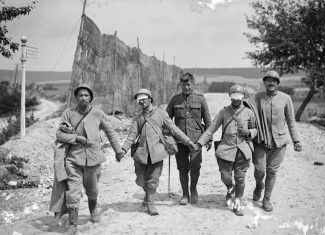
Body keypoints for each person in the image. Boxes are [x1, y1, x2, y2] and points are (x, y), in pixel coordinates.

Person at [56, 84, 124, 234]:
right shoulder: (68, 113)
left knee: (92, 190)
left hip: (93, 160)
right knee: (72, 191)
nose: (83, 98)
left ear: (91, 98)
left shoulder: (97, 114)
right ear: (76, 98)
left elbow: (110, 132)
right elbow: (59, 135)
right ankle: (73, 223)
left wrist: (118, 151)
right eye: (80, 95)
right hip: (73, 160)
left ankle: (93, 210)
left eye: (86, 95)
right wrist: (76, 138)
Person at [119, 88, 196, 216]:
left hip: (157, 153)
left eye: (144, 98)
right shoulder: (138, 118)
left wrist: (188, 141)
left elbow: (174, 129)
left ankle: (150, 202)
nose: (141, 101)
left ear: (150, 99)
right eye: (139, 99)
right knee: (140, 180)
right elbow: (131, 136)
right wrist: (123, 149)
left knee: (153, 180)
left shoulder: (161, 114)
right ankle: (148, 194)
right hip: (141, 154)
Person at [244, 70, 302, 212]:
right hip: (260, 141)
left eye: (274, 81)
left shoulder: (286, 98)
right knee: (260, 170)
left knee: (272, 171)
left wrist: (296, 140)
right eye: (268, 80)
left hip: (279, 143)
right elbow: (244, 109)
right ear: (264, 82)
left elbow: (291, 121)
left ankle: (267, 199)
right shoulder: (256, 98)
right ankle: (259, 185)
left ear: (277, 83)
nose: (271, 83)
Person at [195, 84, 257, 216]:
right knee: (225, 176)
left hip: (242, 150)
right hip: (225, 149)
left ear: (242, 97)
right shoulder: (223, 112)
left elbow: (255, 130)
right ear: (229, 97)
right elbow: (211, 129)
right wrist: (200, 143)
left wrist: (249, 132)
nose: (235, 100)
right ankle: (230, 188)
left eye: (238, 97)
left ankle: (238, 200)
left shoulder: (249, 112)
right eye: (233, 97)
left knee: (240, 178)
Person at [166, 72, 211, 205]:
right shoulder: (175, 100)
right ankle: (185, 194)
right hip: (179, 141)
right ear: (181, 85)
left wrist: (209, 139)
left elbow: (208, 120)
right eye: (184, 84)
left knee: (196, 166)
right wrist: (167, 135)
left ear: (193, 84)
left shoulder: (200, 99)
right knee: (182, 168)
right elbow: (166, 119)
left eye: (189, 84)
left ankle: (193, 190)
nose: (186, 87)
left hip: (196, 140)